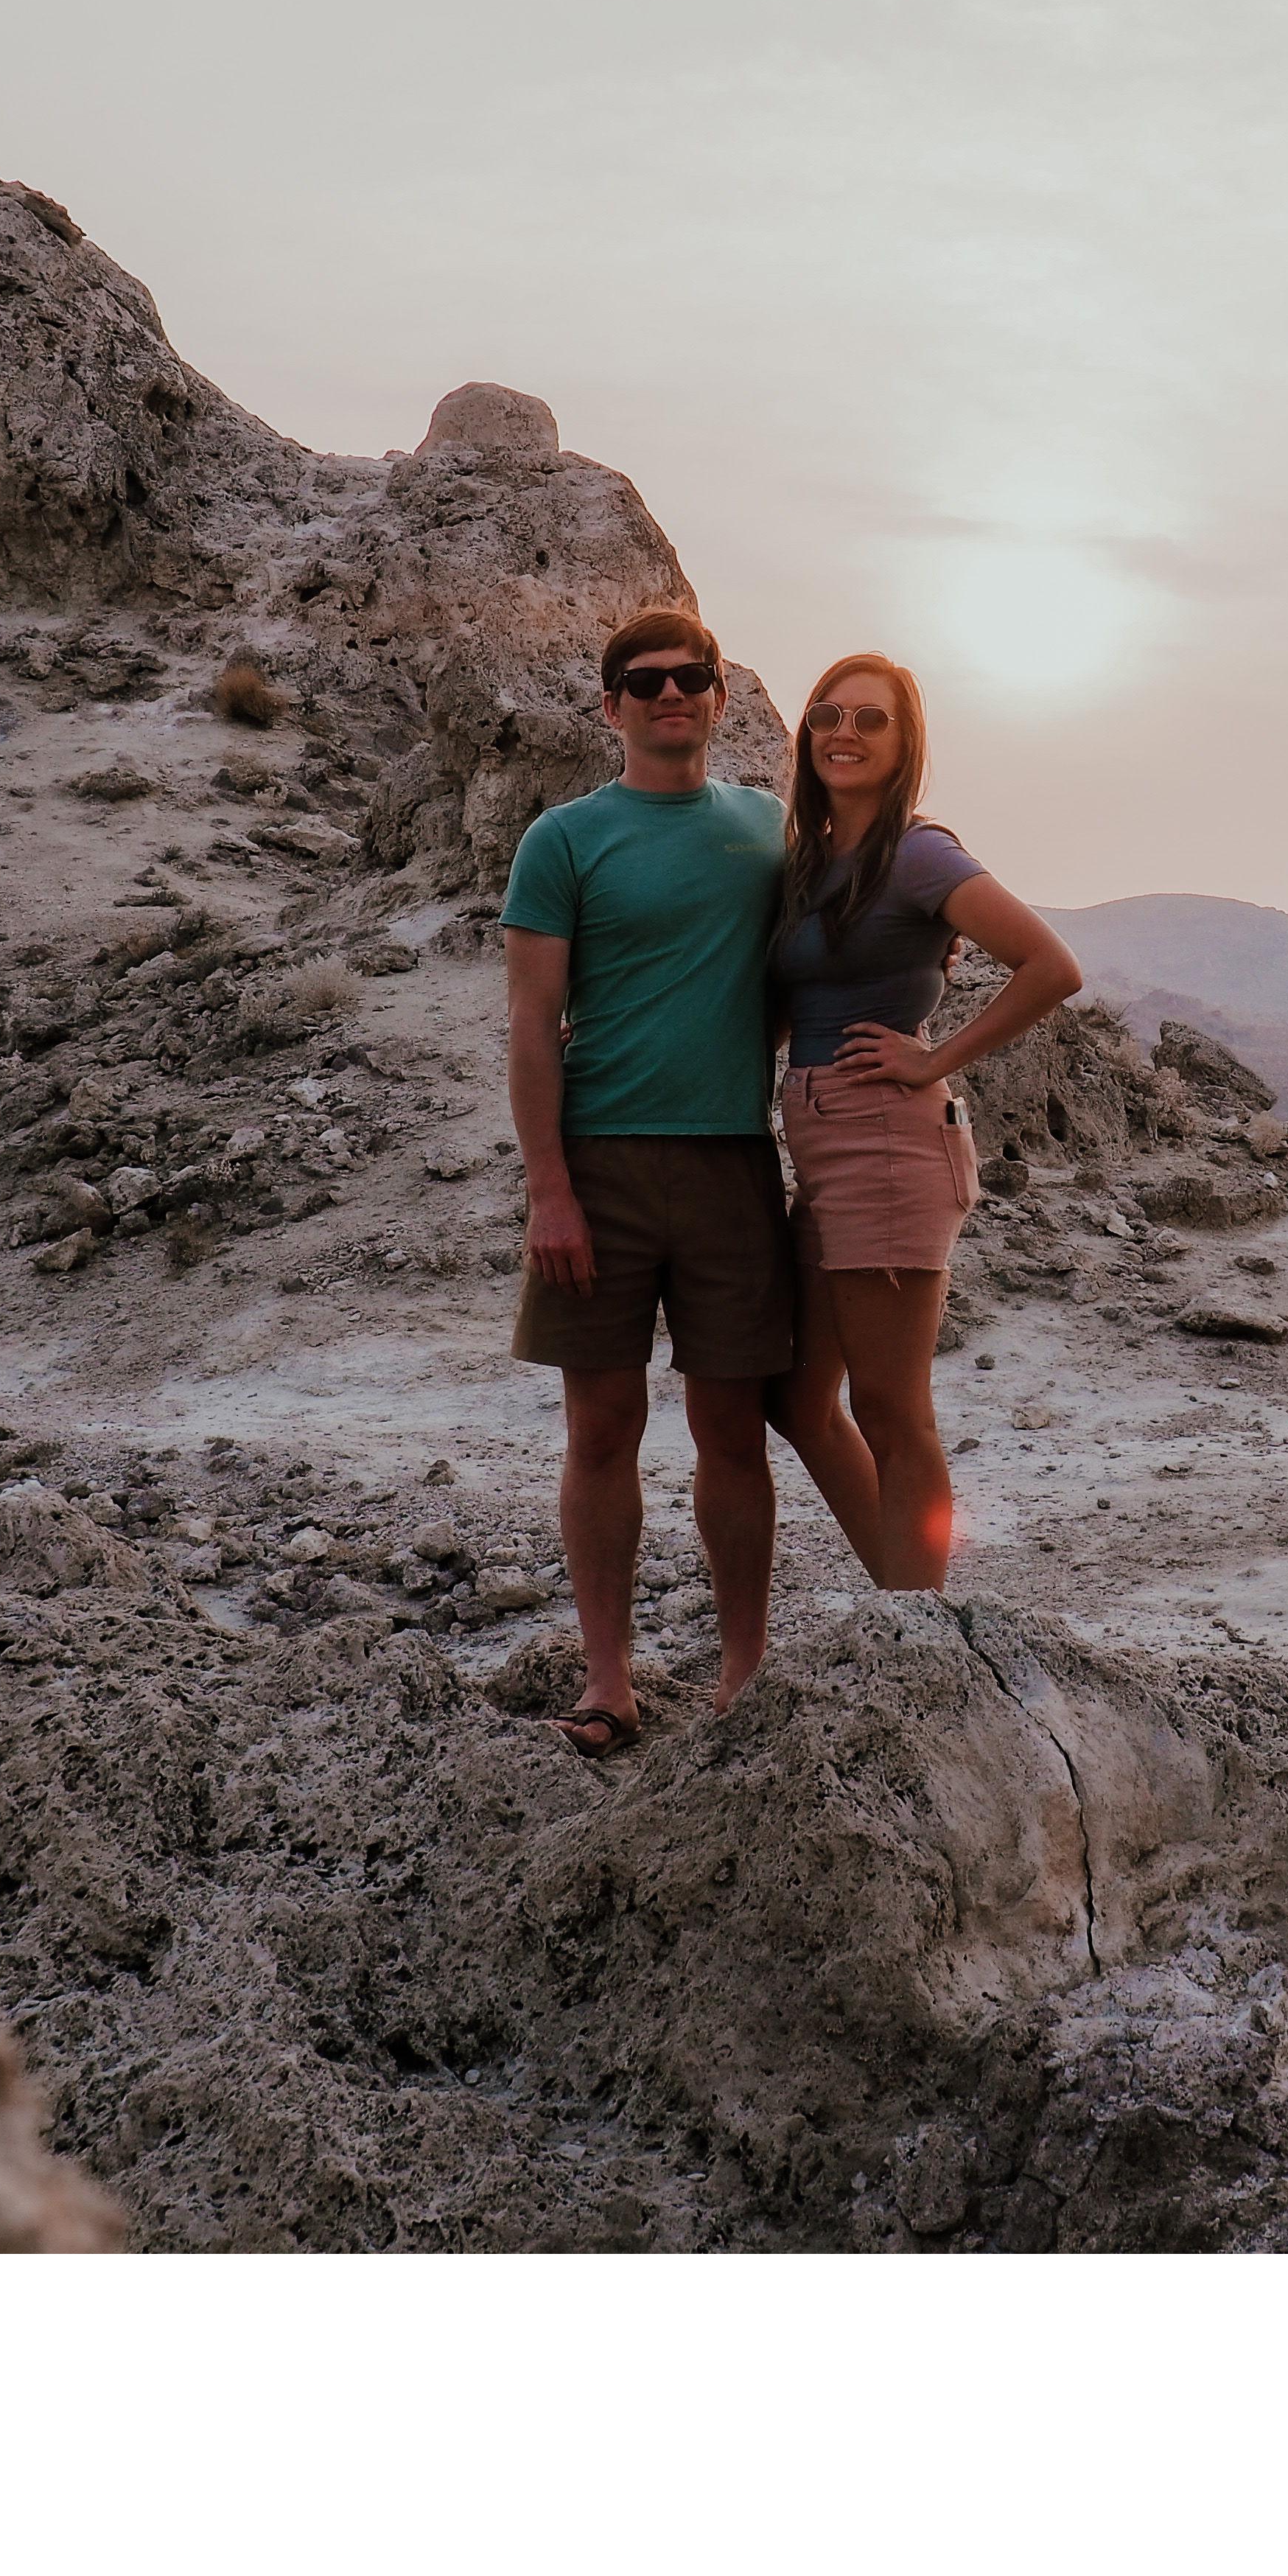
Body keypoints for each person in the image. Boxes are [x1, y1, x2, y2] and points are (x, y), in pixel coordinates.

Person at [501, 607, 790, 1759]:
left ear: (722, 697)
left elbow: (863, 895)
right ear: (612, 705)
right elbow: (530, 1024)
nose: (672, 695)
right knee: (602, 1425)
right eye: (646, 680)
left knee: (734, 1428)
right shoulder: (563, 841)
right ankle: (609, 1680)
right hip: (602, 1164)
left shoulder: (770, 829)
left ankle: (743, 1670)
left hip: (733, 1162)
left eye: (693, 677)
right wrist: (548, 1190)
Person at [766, 652, 1082, 1591]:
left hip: (888, 1140)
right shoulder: (810, 862)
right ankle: (910, 1606)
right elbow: (788, 1004)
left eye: (872, 719)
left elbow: (1050, 966)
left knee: (891, 1408)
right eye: (828, 715)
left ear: (905, 745)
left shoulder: (919, 852)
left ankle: (922, 1629)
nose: (844, 733)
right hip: (819, 1138)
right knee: (797, 1400)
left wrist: (932, 1056)